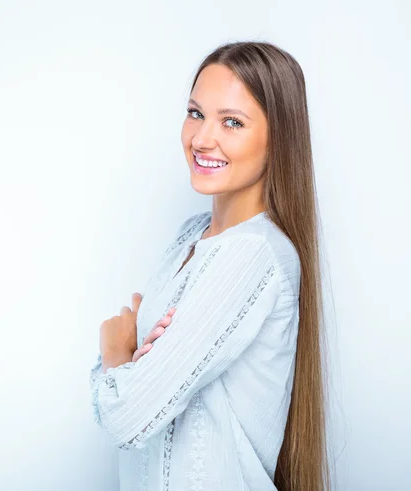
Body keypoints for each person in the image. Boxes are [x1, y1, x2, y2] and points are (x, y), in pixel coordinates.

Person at [90, 40, 330, 491]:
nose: (201, 139)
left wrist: (115, 352)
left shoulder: (253, 253)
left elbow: (127, 415)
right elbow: (134, 395)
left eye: (232, 122)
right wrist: (133, 366)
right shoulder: (192, 235)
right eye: (196, 113)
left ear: (280, 137)